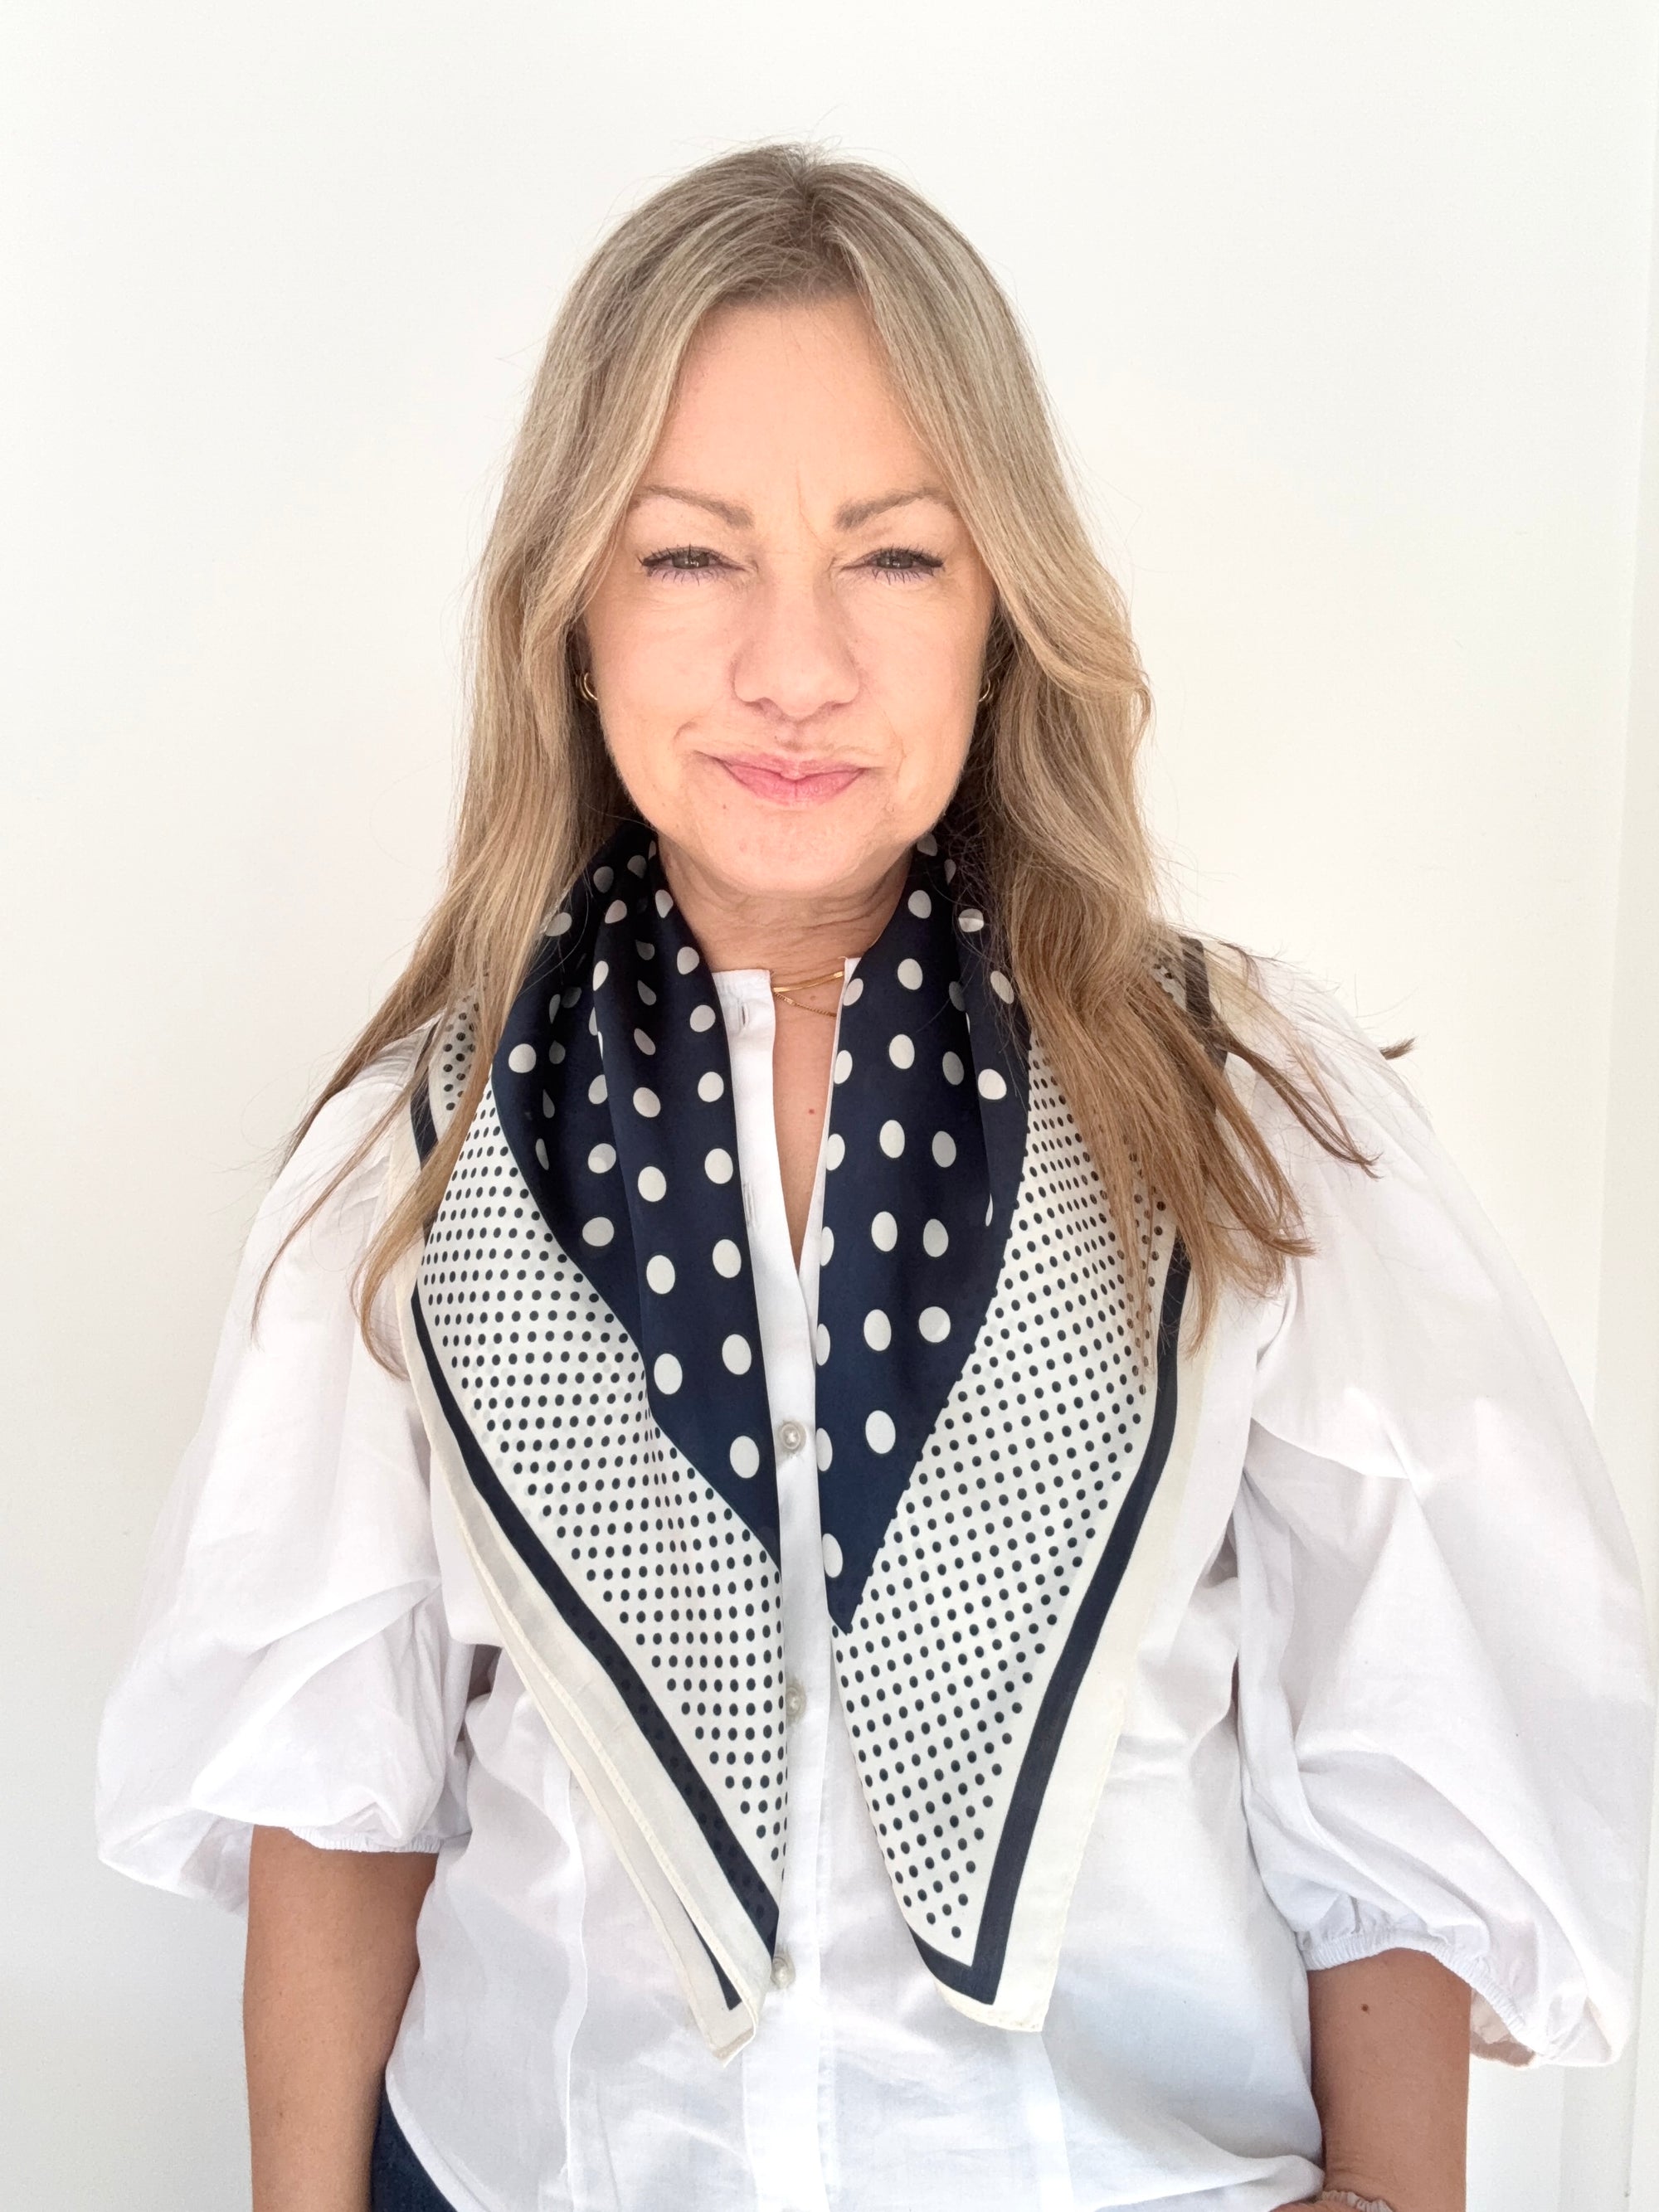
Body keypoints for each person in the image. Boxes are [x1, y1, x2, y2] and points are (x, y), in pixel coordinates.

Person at [95, 140, 1654, 2212]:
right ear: (569, 609)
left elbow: (1389, 1727)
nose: (795, 664)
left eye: (895, 558)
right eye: (690, 556)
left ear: (1003, 612)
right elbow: (340, 1789)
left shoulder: (1236, 1111)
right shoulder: (421, 1147)